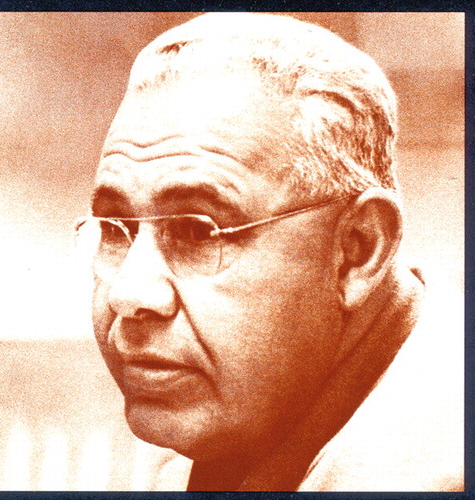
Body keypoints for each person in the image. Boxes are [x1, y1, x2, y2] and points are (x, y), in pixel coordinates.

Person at [74, 13, 463, 491]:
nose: (127, 294)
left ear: (357, 252)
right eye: (115, 229)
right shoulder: (233, 422)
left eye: (198, 231)